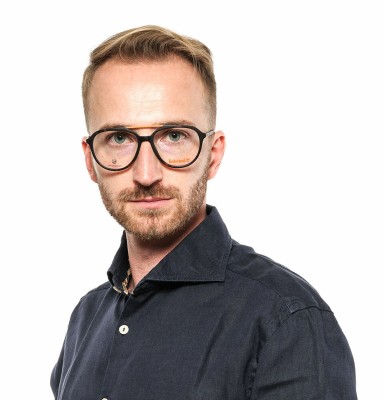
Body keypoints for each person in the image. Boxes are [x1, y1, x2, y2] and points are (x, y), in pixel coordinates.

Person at [51, 25, 357, 399]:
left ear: (213, 154)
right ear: (90, 160)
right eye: (119, 138)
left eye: (174, 136)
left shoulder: (285, 318)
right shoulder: (85, 319)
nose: (146, 174)